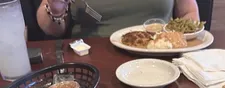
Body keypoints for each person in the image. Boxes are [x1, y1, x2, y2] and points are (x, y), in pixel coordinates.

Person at [37, 0, 200, 38]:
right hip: (92, 61)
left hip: (160, 53)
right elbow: (51, 30)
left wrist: (179, 40)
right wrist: (56, 10)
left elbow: (189, 14)